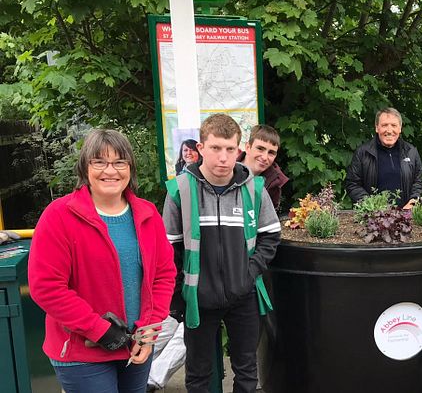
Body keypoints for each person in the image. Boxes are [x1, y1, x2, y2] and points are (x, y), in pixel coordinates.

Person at [28, 129, 176, 393]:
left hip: (136, 345)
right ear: (85, 167)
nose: (111, 170)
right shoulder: (59, 216)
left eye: (120, 162)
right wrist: (99, 330)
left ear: (130, 167)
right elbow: (46, 287)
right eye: (99, 162)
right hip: (82, 351)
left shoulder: (147, 213)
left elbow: (164, 275)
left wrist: (148, 332)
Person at [163, 113, 281, 393]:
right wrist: (178, 293)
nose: (223, 158)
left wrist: (249, 273)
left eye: (230, 149)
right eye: (215, 148)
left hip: (243, 297)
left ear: (239, 150)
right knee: (199, 374)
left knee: (246, 371)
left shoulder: (254, 187)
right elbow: (169, 249)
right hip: (198, 298)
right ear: (201, 149)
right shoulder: (179, 190)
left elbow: (271, 236)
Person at [344, 107, 422, 209]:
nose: (389, 130)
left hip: (406, 217)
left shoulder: (411, 152)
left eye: (394, 125)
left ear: (400, 128)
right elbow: (353, 184)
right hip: (373, 218)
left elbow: (418, 183)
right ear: (377, 128)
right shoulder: (363, 153)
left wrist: (412, 203)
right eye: (384, 125)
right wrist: (373, 206)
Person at [238, 124, 289, 209]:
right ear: (248, 147)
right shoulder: (228, 170)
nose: (265, 157)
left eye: (271, 153)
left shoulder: (275, 181)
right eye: (260, 149)